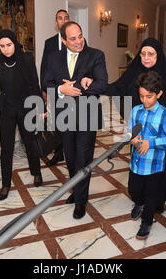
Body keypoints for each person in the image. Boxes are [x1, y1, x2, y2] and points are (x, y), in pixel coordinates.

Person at [82, 38, 166, 213]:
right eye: (143, 53)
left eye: (151, 54)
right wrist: (95, 85)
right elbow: (116, 88)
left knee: (161, 171)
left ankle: (155, 202)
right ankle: (140, 198)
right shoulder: (134, 71)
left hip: (161, 133)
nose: (146, 57)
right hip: (139, 131)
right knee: (140, 168)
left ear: (158, 55)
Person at [42, 21, 108, 219]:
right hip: (64, 115)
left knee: (83, 158)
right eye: (73, 38)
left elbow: (102, 84)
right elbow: (46, 82)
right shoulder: (53, 58)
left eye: (80, 36)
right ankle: (76, 190)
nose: (79, 41)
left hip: (87, 115)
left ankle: (81, 201)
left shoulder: (96, 55)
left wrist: (78, 86)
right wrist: (62, 89)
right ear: (63, 40)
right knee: (70, 157)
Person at [0, 30, 43, 201]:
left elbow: (35, 84)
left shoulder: (26, 59)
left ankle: (36, 173)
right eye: (2, 46)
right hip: (6, 110)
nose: (5, 49)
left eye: (9, 45)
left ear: (15, 42)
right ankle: (6, 183)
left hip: (26, 108)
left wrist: (40, 107)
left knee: (30, 142)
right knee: (6, 148)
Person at [128, 71, 166, 240]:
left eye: (149, 96)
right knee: (133, 190)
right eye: (141, 96)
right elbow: (131, 131)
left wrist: (151, 143)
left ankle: (146, 222)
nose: (144, 100)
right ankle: (138, 202)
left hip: (154, 165)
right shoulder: (135, 111)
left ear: (159, 94)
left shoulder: (165, 114)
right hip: (136, 163)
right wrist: (133, 139)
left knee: (151, 197)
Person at [40, 9, 70, 166]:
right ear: (56, 22)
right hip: (54, 89)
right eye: (60, 18)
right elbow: (44, 67)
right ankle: (59, 153)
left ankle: (70, 151)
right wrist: (44, 89)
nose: (63, 21)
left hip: (71, 89)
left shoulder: (76, 40)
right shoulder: (49, 43)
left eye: (66, 18)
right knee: (56, 122)